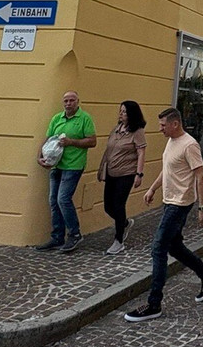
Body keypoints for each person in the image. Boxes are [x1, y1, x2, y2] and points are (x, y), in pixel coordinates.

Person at [124, 108, 203, 321]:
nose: (160, 129)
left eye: (163, 125)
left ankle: (154, 304)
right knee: (174, 246)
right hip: (169, 201)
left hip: (180, 203)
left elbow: (200, 176)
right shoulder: (171, 142)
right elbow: (168, 169)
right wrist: (153, 188)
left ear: (175, 124)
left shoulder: (190, 145)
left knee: (158, 248)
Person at [36, 91, 96, 253]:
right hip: (56, 165)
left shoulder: (84, 118)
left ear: (78, 102)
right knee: (53, 200)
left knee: (63, 199)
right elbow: (47, 139)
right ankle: (57, 236)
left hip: (74, 165)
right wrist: (39, 156)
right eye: (66, 101)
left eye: (71, 100)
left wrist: (71, 142)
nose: (68, 103)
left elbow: (92, 141)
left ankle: (75, 234)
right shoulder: (57, 118)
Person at [97, 100, 147, 255]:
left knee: (119, 205)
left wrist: (139, 174)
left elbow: (141, 153)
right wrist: (102, 169)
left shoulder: (137, 131)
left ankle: (118, 241)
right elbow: (108, 150)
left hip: (127, 173)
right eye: (120, 111)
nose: (121, 114)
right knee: (108, 206)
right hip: (112, 172)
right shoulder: (116, 129)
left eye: (124, 111)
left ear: (132, 114)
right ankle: (124, 223)